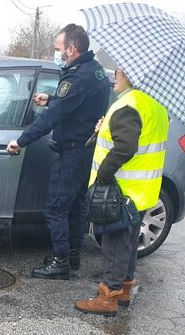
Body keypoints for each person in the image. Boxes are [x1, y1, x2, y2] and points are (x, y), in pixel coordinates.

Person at [7, 24, 110, 280]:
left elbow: (53, 118)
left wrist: (21, 140)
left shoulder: (77, 76)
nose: (57, 53)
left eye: (58, 49)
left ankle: (60, 262)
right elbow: (77, 104)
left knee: (56, 208)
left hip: (74, 151)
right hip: (84, 149)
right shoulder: (94, 72)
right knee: (75, 207)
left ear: (71, 49)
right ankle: (72, 256)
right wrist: (52, 98)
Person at [73, 67, 169, 316]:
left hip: (122, 189)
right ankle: (124, 290)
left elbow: (125, 147)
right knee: (127, 242)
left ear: (130, 73)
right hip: (142, 191)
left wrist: (104, 175)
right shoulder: (154, 106)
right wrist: (104, 128)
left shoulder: (129, 105)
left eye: (118, 70)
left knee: (114, 243)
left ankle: (108, 298)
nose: (115, 75)